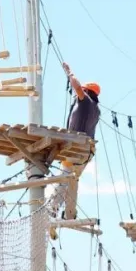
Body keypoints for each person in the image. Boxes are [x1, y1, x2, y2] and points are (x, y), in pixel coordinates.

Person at [48, 62, 99, 239]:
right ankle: (70, 213)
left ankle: (51, 210)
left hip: (76, 149)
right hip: (84, 153)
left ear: (87, 92)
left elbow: (77, 87)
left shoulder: (86, 103)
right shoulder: (95, 109)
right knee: (72, 179)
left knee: (64, 178)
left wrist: (69, 72)